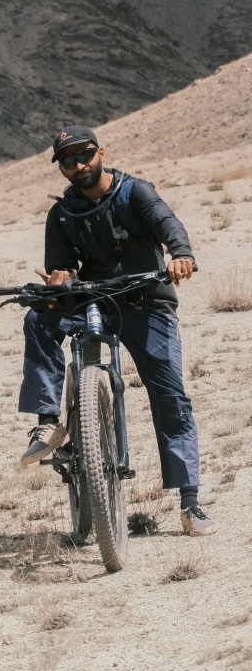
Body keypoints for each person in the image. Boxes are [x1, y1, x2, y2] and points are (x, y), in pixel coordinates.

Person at [17, 124, 215, 536]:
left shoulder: (135, 192)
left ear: (101, 152)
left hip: (146, 301)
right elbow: (64, 266)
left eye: (85, 154)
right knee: (39, 316)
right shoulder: (62, 213)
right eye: (67, 161)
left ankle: (190, 501)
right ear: (61, 169)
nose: (78, 164)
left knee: (170, 396)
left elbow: (168, 224)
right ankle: (48, 420)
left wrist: (181, 254)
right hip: (94, 301)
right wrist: (60, 279)